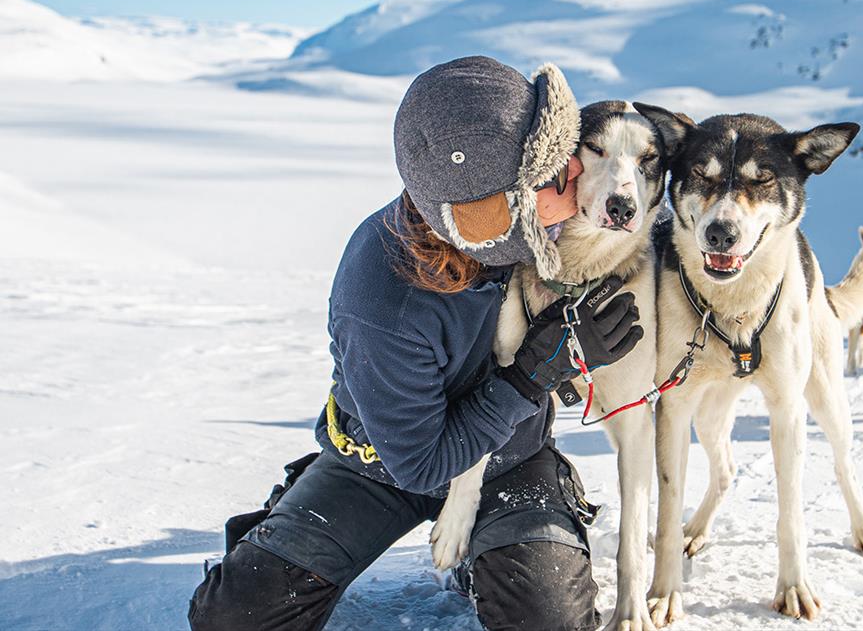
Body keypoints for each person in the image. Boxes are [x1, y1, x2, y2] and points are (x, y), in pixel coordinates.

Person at [188, 56, 643, 631]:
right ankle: (291, 520)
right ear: (495, 215)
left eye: (568, 154)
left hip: (508, 460)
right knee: (236, 619)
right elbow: (423, 464)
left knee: (548, 622)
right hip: (381, 467)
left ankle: (494, 551)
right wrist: (533, 376)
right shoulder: (384, 300)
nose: (577, 173)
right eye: (553, 176)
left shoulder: (534, 231)